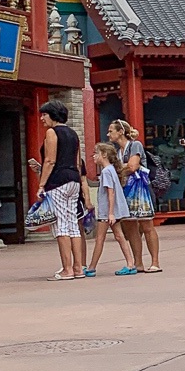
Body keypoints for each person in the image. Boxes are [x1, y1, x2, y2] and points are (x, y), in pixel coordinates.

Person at [37, 101, 87, 281]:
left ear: (52, 115)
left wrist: (41, 184)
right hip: (73, 179)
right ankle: (78, 267)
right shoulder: (73, 134)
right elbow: (77, 161)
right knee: (73, 224)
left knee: (61, 225)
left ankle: (67, 269)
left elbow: (50, 160)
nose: (42, 118)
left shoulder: (52, 132)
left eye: (44, 114)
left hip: (57, 180)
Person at [108, 119, 161, 272]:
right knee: (130, 227)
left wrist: (118, 170)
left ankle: (155, 262)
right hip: (126, 189)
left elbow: (133, 166)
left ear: (120, 132)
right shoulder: (117, 151)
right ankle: (138, 262)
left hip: (140, 189)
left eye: (111, 131)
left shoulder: (135, 145)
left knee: (147, 225)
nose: (109, 134)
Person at [86, 142, 139, 275]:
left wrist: (110, 213)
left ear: (104, 155)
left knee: (100, 239)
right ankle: (130, 263)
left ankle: (92, 267)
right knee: (119, 236)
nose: (93, 156)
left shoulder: (105, 172)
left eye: (96, 153)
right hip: (114, 211)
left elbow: (111, 192)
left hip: (107, 212)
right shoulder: (111, 170)